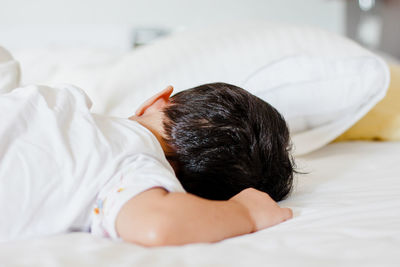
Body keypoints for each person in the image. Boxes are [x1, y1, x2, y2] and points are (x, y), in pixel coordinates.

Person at [0, 47, 294, 246]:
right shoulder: (135, 171)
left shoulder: (65, 101)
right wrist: (245, 213)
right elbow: (159, 223)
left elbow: (160, 223)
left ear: (156, 101)